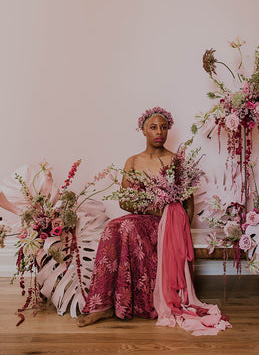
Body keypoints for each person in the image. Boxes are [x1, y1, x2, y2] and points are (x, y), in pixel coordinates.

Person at [78, 107, 193, 326]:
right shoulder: (132, 161)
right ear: (143, 130)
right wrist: (151, 207)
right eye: (153, 127)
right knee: (113, 226)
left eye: (164, 127)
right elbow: (124, 201)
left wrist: (180, 231)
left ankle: (139, 303)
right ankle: (103, 305)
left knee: (127, 226)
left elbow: (188, 205)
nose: (159, 131)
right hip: (141, 219)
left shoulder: (176, 161)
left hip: (168, 223)